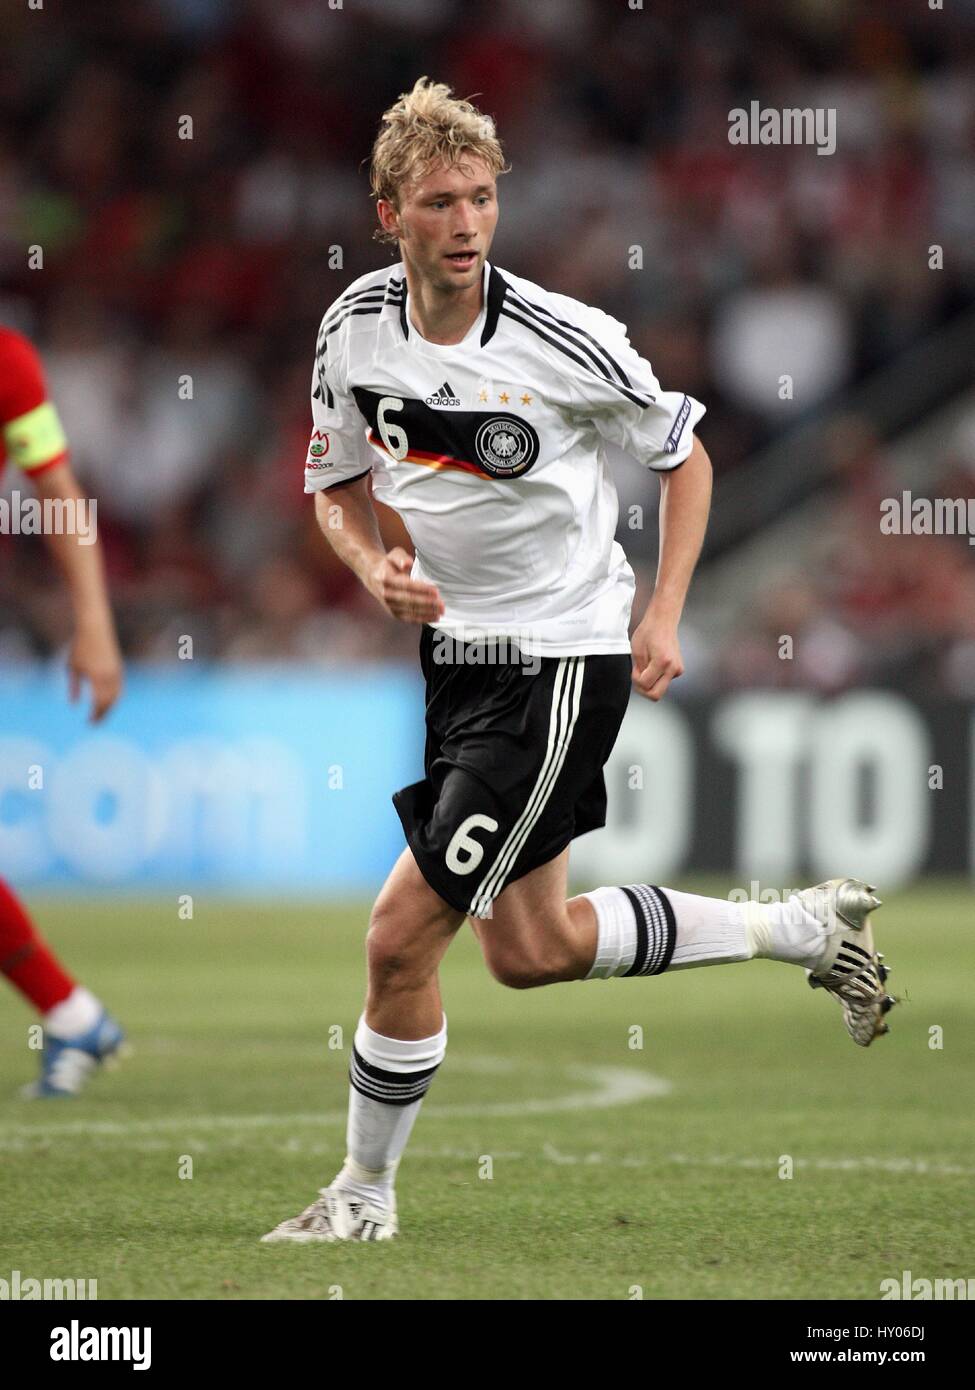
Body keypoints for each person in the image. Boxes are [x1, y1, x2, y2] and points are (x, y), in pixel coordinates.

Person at [262, 79, 894, 1244]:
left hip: (559, 661)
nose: (466, 223)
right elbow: (335, 483)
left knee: (400, 934)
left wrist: (664, 615)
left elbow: (685, 453)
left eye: (484, 199)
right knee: (530, 950)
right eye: (440, 201)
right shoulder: (352, 327)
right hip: (455, 660)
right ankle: (801, 928)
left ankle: (361, 1196)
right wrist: (367, 567)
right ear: (388, 211)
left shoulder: (563, 340)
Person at [0, 324, 125, 1097]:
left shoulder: (8, 363)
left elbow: (58, 494)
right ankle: (75, 1016)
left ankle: (74, 1015)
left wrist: (95, 624)